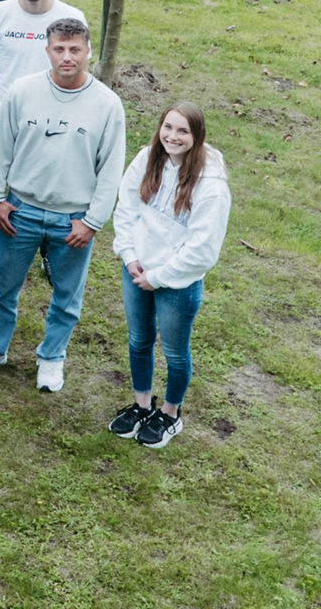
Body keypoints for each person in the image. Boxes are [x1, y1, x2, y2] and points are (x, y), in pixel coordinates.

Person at [0, 19, 126, 394]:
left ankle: (52, 357)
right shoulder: (23, 91)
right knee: (2, 287)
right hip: (21, 209)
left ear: (88, 51)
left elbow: (111, 169)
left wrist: (93, 221)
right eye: (59, 48)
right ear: (47, 50)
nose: (66, 57)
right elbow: (1, 147)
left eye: (74, 49)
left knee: (67, 296)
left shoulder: (107, 104)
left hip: (74, 217)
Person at [108, 102, 230, 449]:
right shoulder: (148, 158)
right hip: (137, 270)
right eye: (168, 127)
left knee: (175, 352)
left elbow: (203, 250)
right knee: (139, 340)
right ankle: (142, 406)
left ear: (197, 136)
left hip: (177, 282)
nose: (172, 137)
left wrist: (158, 277)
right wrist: (129, 256)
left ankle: (171, 414)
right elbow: (127, 208)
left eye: (183, 131)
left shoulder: (211, 185)